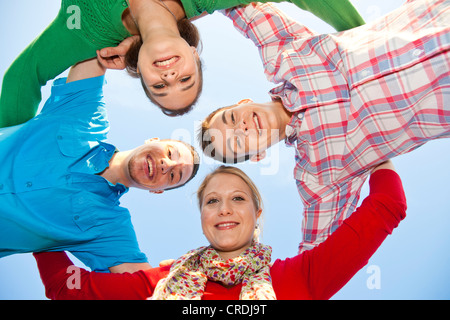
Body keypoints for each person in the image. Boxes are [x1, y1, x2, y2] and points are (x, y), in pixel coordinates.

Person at [199, 0, 450, 253]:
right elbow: (315, 258)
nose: (240, 127)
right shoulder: (319, 175)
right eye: (237, 142)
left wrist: (174, 15)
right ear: (257, 155)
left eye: (231, 118)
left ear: (243, 102)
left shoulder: (284, 54)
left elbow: (237, 8)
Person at [33, 160, 406, 300]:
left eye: (238, 199)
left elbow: (387, 206)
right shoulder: (159, 282)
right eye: (212, 201)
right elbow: (66, 287)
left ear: (257, 213)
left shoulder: (304, 277)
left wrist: (372, 149)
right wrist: (36, 221)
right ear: (202, 216)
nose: (224, 208)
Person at [0, 0, 365, 127]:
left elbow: (21, 79)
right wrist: (364, 39)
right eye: (185, 80)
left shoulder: (84, 30)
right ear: (194, 54)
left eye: (159, 86)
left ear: (138, 68)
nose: (170, 76)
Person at [0, 57, 200, 274]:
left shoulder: (109, 230)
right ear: (153, 140)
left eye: (173, 176)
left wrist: (172, 281)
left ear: (157, 190)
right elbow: (96, 47)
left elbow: (143, 287)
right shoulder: (86, 118)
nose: (166, 165)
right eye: (170, 153)